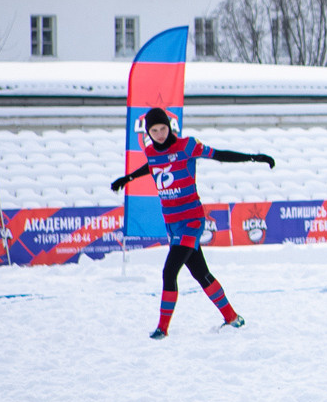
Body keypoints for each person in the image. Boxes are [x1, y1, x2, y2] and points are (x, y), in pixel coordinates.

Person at [109, 106, 274, 340]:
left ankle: (162, 329)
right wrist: (128, 178)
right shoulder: (150, 151)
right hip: (172, 224)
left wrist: (253, 157)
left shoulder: (187, 146)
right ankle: (232, 318)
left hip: (192, 221)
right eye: (154, 131)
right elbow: (154, 165)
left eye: (163, 128)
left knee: (169, 271)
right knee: (201, 273)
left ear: (170, 127)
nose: (159, 134)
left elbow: (219, 155)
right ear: (148, 133)